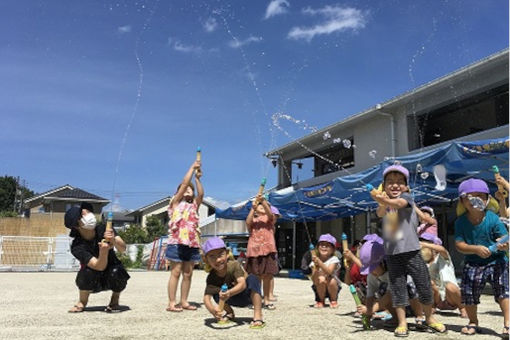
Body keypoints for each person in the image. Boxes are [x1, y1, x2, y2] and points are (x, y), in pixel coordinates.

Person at [370, 164, 445, 336]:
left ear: (406, 186)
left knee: (424, 284)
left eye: (399, 182)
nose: (395, 185)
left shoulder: (407, 198)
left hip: (412, 251)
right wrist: (380, 199)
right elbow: (381, 213)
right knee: (397, 287)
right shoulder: (384, 202)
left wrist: (384, 199)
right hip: (392, 253)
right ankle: (402, 322)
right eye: (390, 182)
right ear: (384, 185)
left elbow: (398, 203)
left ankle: (429, 318)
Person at [454, 178, 509, 337]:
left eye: (480, 196)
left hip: (497, 260)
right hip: (473, 263)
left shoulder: (493, 218)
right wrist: (475, 249)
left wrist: (504, 244)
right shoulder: (461, 222)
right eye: (469, 197)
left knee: (504, 292)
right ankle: (473, 322)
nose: (475, 200)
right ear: (462, 202)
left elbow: (504, 238)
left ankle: (508, 324)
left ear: (487, 199)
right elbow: (459, 245)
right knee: (469, 294)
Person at [66, 203, 130, 313]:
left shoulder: (104, 228)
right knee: (85, 273)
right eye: (83, 215)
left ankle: (115, 300)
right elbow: (98, 266)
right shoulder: (77, 246)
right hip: (94, 277)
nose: (89, 215)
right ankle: (82, 301)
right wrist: (103, 252)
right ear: (76, 225)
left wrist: (113, 240)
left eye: (88, 212)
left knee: (118, 271)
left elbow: (123, 248)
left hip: (111, 272)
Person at [357, 235, 423, 326]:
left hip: (411, 303)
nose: (371, 272)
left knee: (410, 286)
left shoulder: (393, 271)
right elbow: (370, 296)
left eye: (373, 268)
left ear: (382, 263)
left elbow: (389, 295)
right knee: (382, 290)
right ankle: (395, 317)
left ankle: (419, 315)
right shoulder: (372, 275)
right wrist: (368, 315)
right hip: (398, 306)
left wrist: (371, 310)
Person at [165, 160, 204, 312]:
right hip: (176, 242)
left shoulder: (194, 205)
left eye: (190, 189)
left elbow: (201, 194)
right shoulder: (175, 203)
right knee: (176, 271)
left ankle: (184, 301)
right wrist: (192, 168)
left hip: (192, 243)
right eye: (185, 189)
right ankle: (172, 302)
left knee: (188, 273)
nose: (188, 190)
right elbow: (183, 183)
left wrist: (198, 179)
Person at [202, 237, 265, 329]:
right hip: (232, 299)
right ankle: (230, 313)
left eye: (220, 255)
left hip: (247, 295)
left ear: (227, 254)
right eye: (212, 256)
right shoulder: (212, 277)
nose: (218, 260)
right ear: (206, 260)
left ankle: (258, 315)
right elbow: (206, 298)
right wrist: (213, 311)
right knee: (216, 294)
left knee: (253, 278)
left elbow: (242, 284)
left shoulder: (233, 265)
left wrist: (229, 293)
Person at [419, 232, 467, 318]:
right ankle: (432, 306)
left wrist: (425, 244)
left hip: (449, 297)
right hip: (437, 297)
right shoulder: (422, 262)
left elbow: (442, 249)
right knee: (429, 283)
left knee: (450, 286)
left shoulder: (443, 258)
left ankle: (462, 308)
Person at [245, 194, 278, 310]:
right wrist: (252, 208)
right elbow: (247, 222)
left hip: (268, 250)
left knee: (268, 275)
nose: (262, 207)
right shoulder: (253, 221)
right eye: (260, 206)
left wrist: (263, 201)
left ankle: (267, 299)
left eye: (265, 206)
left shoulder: (269, 220)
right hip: (254, 250)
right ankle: (256, 300)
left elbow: (270, 215)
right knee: (256, 276)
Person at [309, 234, 341, 308]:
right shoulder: (314, 261)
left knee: (332, 280)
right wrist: (316, 268)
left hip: (333, 286)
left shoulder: (334, 259)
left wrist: (319, 263)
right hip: (319, 285)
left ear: (333, 249)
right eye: (322, 245)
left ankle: (333, 300)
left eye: (327, 245)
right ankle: (321, 300)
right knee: (321, 279)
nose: (324, 247)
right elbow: (313, 278)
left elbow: (329, 272)